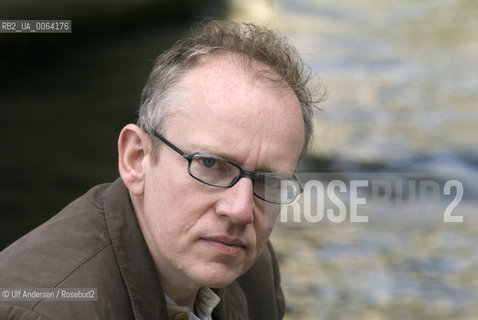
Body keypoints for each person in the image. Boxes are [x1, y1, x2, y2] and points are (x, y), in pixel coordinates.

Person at [0, 20, 318, 319]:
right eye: (210, 164)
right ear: (136, 159)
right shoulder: (41, 310)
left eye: (267, 181)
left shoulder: (252, 271)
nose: (240, 210)